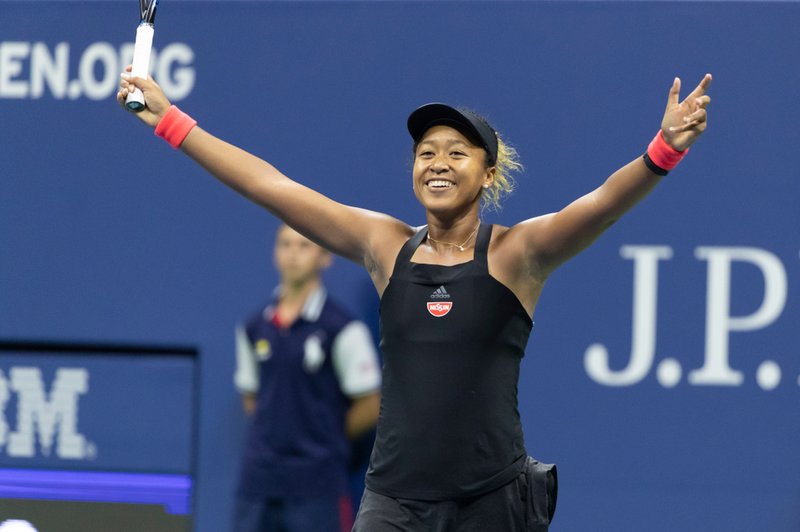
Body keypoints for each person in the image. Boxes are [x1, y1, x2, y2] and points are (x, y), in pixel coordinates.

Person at [118, 68, 712, 531]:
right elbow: (271, 186)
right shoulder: (384, 247)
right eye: (426, 152)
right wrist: (171, 120)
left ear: (487, 172)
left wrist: (664, 149)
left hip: (492, 502)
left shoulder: (517, 253)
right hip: (394, 504)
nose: (438, 163)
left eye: (457, 152)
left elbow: (603, 204)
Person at [232, 224, 382, 532]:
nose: (293, 254)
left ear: (325, 257)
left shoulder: (342, 329)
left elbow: (370, 403)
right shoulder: (253, 328)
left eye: (304, 246)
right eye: (285, 245)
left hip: (319, 486)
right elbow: (251, 397)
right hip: (259, 482)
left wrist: (323, 439)